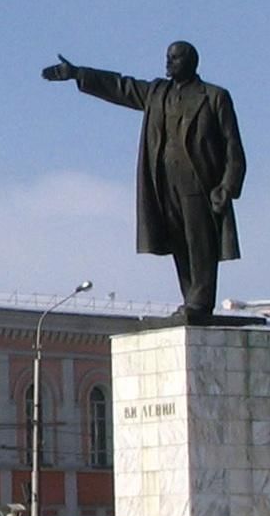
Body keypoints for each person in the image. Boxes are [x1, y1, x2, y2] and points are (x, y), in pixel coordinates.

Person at [42, 41, 245, 324]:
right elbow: (121, 87)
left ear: (191, 61)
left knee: (201, 244)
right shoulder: (157, 93)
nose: (168, 63)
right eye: (168, 58)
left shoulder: (214, 97)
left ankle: (200, 302)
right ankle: (192, 300)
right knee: (180, 243)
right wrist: (78, 74)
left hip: (199, 184)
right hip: (163, 183)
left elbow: (233, 147)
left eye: (174, 58)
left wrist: (227, 186)